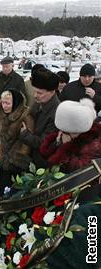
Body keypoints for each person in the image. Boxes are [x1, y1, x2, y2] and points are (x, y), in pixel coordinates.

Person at [38, 99, 101, 269]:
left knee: (86, 236)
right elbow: (46, 154)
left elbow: (79, 171)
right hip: (71, 195)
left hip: (89, 200)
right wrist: (59, 144)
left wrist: (64, 150)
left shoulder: (94, 144)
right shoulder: (71, 137)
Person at [0, 89, 34, 198]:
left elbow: (27, 141)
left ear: (15, 103)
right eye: (3, 102)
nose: (4, 106)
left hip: (15, 159)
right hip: (1, 155)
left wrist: (19, 156)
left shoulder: (25, 115)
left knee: (11, 187)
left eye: (8, 103)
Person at [20, 67, 60, 168]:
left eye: (39, 93)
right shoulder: (39, 103)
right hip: (30, 158)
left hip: (42, 163)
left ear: (52, 92)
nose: (35, 95)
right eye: (34, 91)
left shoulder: (57, 113)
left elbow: (44, 143)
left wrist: (24, 134)